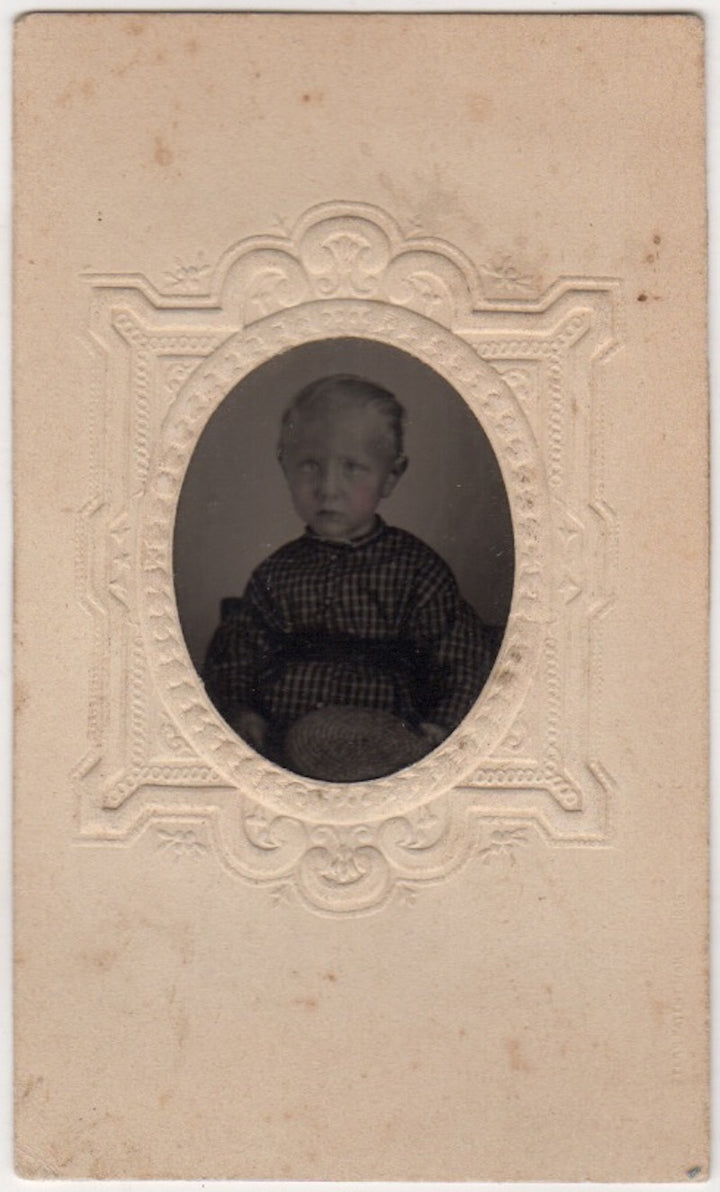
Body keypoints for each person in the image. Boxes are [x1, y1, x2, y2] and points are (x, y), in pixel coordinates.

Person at [202, 374, 501, 780]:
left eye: (353, 468)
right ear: (284, 465)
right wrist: (242, 710)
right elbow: (237, 654)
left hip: (387, 750)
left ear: (392, 476)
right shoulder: (277, 573)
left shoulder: (416, 571)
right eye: (310, 465)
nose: (328, 489)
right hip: (285, 747)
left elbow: (462, 658)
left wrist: (439, 729)